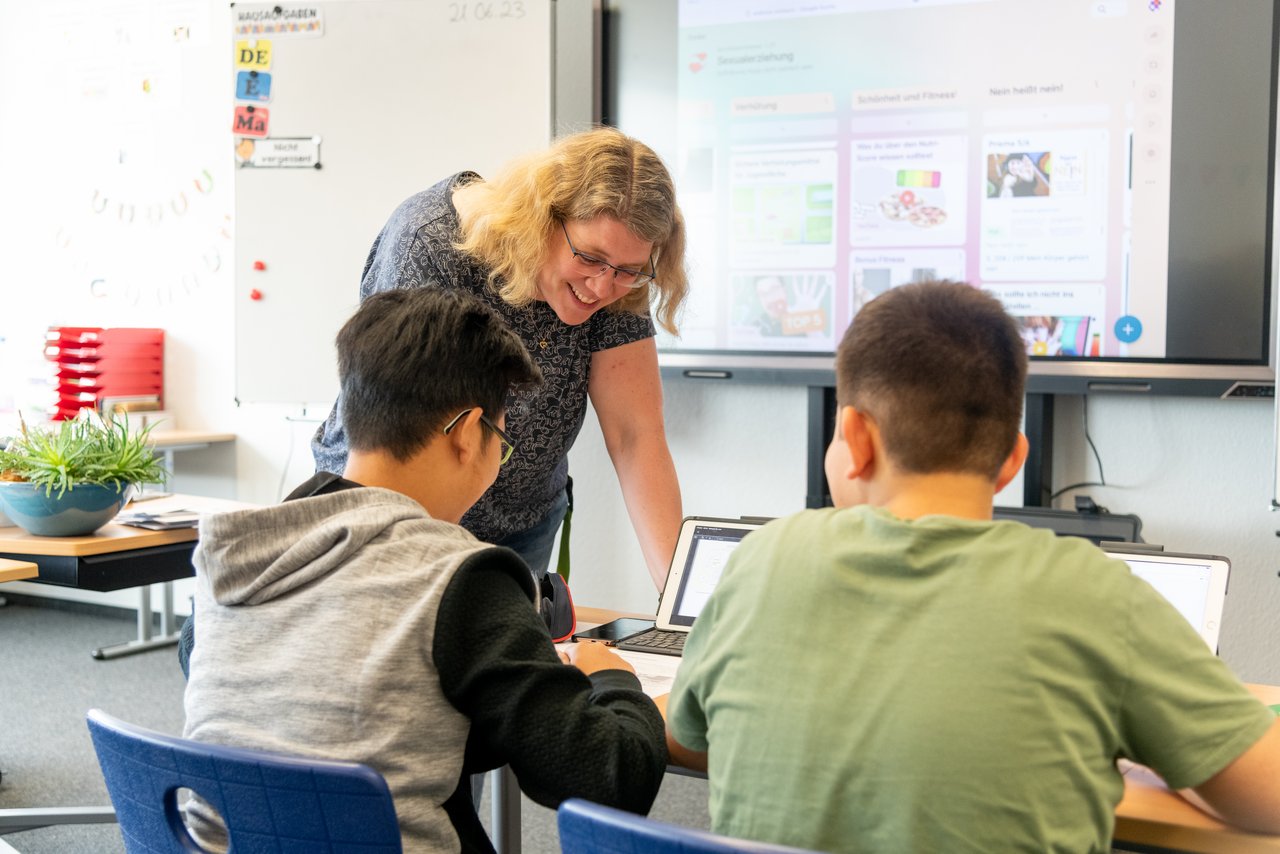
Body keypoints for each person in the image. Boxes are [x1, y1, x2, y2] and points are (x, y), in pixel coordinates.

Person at [664, 280, 1280, 852]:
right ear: (1013, 459)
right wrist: (1184, 750)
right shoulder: (1092, 594)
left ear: (855, 437)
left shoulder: (759, 563)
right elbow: (1266, 795)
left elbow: (690, 740)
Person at [183, 288, 668, 853]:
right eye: (502, 442)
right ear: (467, 434)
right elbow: (608, 777)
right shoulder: (460, 577)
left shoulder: (240, 553)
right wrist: (611, 676)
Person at [312, 127, 688, 589]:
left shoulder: (615, 280)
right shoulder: (432, 243)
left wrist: (679, 605)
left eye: (629, 271)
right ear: (544, 217)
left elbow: (636, 435)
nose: (602, 287)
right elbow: (407, 440)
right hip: (398, 510)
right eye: (589, 258)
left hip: (522, 520)